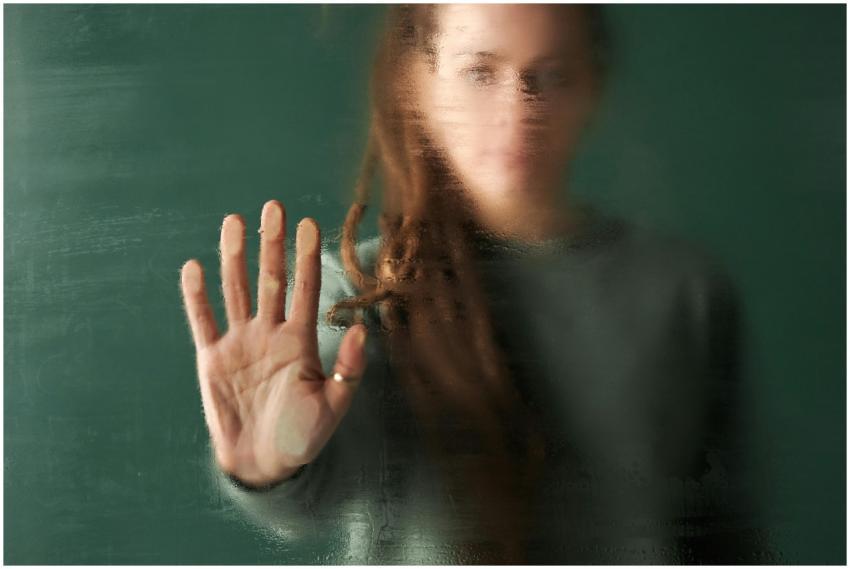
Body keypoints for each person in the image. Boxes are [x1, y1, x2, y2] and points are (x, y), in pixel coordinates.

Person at [179, 4, 767, 564]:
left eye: (551, 74)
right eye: (480, 72)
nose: (518, 110)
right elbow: (316, 479)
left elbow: (722, 532)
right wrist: (271, 465)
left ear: (593, 84)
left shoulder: (684, 291)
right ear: (418, 85)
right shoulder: (364, 291)